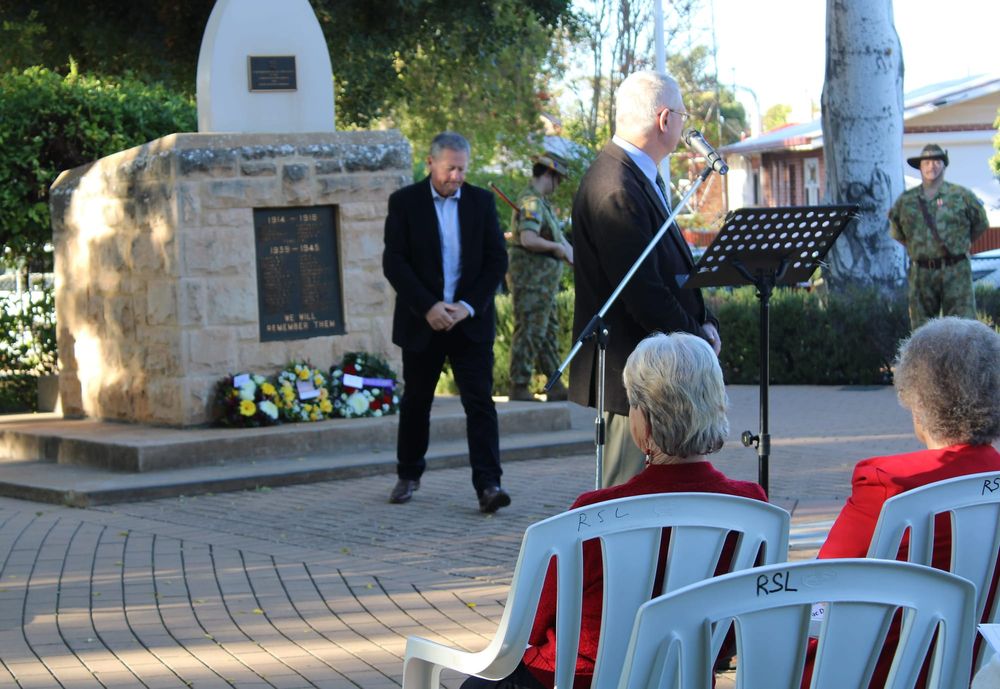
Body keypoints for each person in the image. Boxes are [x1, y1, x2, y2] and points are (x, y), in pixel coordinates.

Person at [461, 332, 767, 689]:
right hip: (680, 677)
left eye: (632, 405)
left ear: (645, 422)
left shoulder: (594, 514)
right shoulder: (750, 506)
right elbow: (744, 619)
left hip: (575, 679)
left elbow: (530, 622)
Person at [807, 317, 1000, 687]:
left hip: (876, 673)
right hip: (973, 672)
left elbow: (821, 586)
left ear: (917, 399)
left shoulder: (887, 483)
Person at [569, 70, 721, 489]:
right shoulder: (615, 185)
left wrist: (704, 324)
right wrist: (697, 340)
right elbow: (644, 291)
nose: (684, 124)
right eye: (683, 114)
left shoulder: (636, 174)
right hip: (631, 372)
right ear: (664, 118)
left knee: (654, 490)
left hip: (653, 365)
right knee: (626, 492)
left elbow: (670, 271)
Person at [382, 131, 511, 513]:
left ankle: (489, 484)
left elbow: (496, 261)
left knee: (480, 404)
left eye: (462, 169)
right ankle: (408, 474)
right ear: (430, 163)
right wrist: (429, 307)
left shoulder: (482, 203)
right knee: (417, 402)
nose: (456, 176)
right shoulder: (404, 203)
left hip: (469, 322)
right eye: (450, 168)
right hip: (423, 323)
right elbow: (395, 262)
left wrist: (467, 306)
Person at [889, 143, 989, 330]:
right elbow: (897, 231)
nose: (931, 166)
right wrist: (919, 249)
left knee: (963, 328)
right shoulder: (906, 200)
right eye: (926, 162)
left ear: (944, 165)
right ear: (920, 166)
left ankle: (961, 361)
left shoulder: (961, 195)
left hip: (956, 269)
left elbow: (981, 224)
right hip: (922, 271)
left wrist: (961, 245)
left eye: (936, 161)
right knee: (922, 330)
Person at [507, 152, 574, 402]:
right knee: (531, 330)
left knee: (547, 331)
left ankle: (554, 383)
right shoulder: (531, 203)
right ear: (549, 175)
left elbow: (561, 240)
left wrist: (572, 254)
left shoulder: (541, 204)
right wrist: (556, 249)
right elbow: (528, 239)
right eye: (559, 180)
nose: (559, 186)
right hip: (531, 282)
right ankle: (519, 384)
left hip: (544, 284)